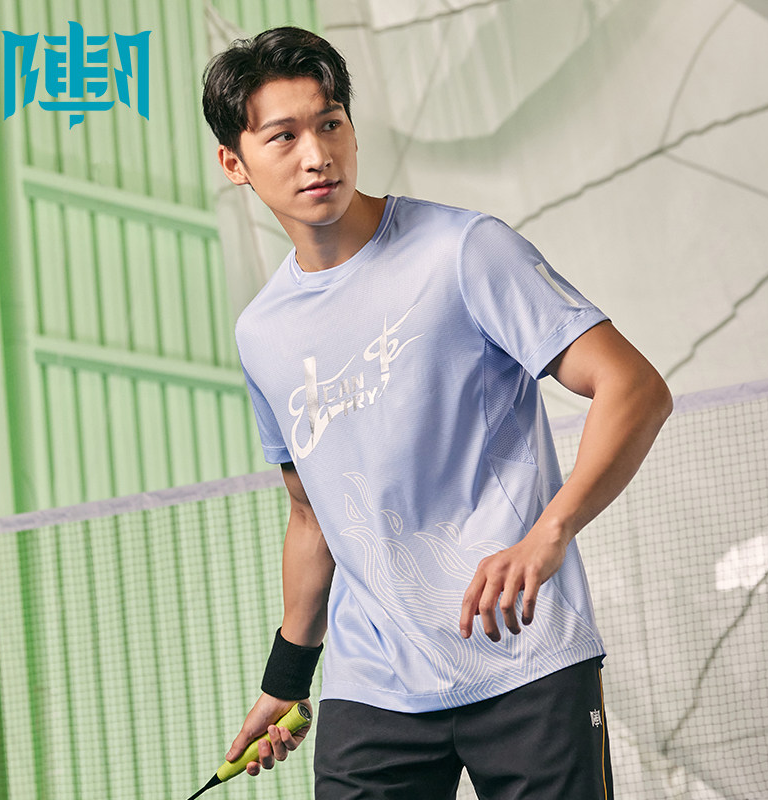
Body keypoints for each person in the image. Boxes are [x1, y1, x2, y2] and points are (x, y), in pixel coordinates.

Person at [201, 26, 672, 800]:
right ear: (235, 162)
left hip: (524, 658)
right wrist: (285, 681)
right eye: (283, 136)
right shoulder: (262, 333)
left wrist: (549, 533)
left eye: (330, 123)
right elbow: (312, 516)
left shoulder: (463, 250)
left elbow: (634, 386)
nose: (317, 155)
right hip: (373, 687)